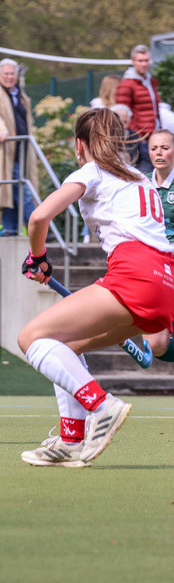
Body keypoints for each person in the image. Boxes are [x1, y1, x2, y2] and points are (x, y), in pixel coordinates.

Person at [18, 108, 174, 467]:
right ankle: (70, 441)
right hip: (165, 282)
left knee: (31, 337)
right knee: (65, 347)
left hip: (135, 273)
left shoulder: (92, 171)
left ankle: (102, 406)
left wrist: (38, 257)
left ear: (79, 144)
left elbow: (39, 216)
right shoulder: (141, 177)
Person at [0, 58, 38, 237]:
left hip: (21, 148)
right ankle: (39, 228)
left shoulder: (19, 94)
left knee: (12, 188)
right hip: (5, 148)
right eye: (6, 73)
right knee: (21, 189)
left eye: (12, 73)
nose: (9, 77)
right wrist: (1, 131)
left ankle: (10, 229)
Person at [140, 129, 174, 361]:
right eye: (154, 148)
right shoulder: (140, 184)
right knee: (155, 345)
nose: (159, 153)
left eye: (165, 148)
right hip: (153, 265)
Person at [115, 44, 161, 173]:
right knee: (143, 174)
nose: (144, 64)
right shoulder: (127, 84)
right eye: (140, 61)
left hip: (153, 136)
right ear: (133, 61)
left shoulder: (150, 81)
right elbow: (122, 115)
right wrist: (135, 137)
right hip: (140, 140)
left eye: (146, 60)